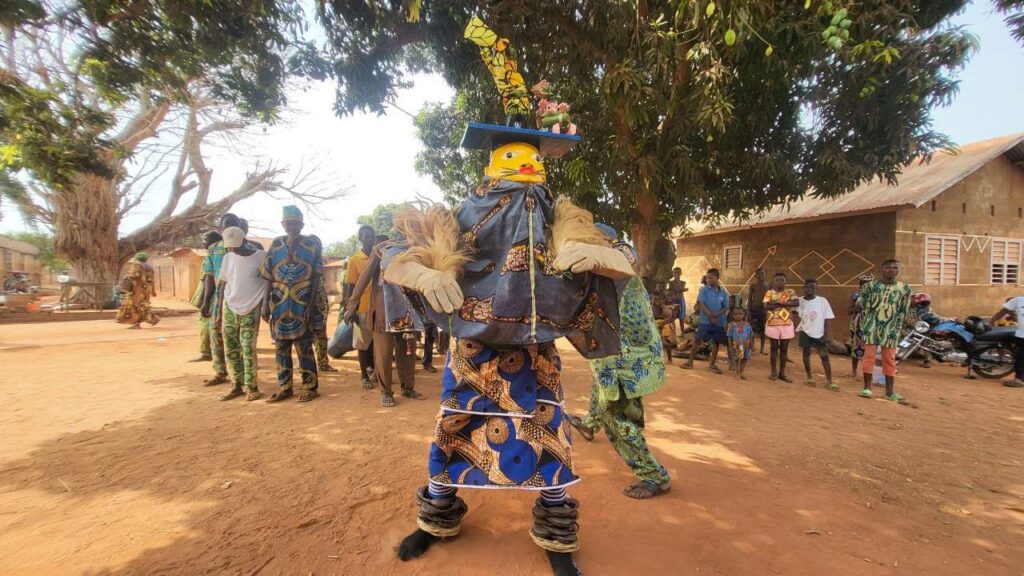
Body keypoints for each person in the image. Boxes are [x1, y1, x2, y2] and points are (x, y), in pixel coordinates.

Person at [388, 21, 630, 574]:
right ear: (490, 168)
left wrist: (596, 255)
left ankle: (556, 536)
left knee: (548, 435)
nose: (522, 173)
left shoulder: (559, 216)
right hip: (472, 349)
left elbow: (619, 254)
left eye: (531, 163)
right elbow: (396, 253)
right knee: (454, 425)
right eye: (512, 163)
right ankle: (439, 514)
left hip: (537, 347)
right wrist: (425, 274)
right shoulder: (463, 215)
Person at [567, 226, 670, 499]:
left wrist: (592, 252)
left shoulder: (620, 254)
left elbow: (625, 260)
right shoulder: (589, 271)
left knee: (617, 414)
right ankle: (589, 424)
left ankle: (653, 476)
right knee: (599, 382)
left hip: (629, 358)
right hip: (611, 354)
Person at [344, 239, 424, 408]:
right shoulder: (380, 250)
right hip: (383, 310)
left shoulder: (416, 249)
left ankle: (408, 388)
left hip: (407, 310)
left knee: (408, 351)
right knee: (383, 353)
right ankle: (386, 392)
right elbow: (364, 278)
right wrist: (352, 304)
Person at [259, 205, 325, 403]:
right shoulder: (276, 245)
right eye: (288, 223)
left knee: (304, 347)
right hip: (278, 306)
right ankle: (285, 387)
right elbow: (268, 277)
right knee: (281, 347)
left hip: (301, 304)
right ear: (283, 224)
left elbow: (315, 279)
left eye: (295, 224)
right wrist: (264, 304)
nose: (292, 227)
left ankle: (310, 387)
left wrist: (310, 306)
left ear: (302, 224)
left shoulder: (311, 245)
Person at [216, 226, 268, 401]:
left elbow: (268, 282)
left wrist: (266, 306)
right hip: (230, 306)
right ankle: (236, 384)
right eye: (230, 247)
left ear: (245, 241)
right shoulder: (228, 258)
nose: (233, 249)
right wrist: (217, 313)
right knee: (230, 348)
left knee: (248, 348)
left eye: (236, 246)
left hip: (251, 308)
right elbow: (222, 285)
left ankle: (252, 387)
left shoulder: (261, 256)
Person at [855, 259, 913, 403]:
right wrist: (867, 323)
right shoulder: (870, 286)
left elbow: (903, 311)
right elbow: (861, 304)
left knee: (890, 359)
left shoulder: (904, 289)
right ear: (882, 270)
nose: (891, 270)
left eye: (894, 268)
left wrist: (897, 328)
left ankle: (890, 391)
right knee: (869, 357)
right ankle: (867, 388)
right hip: (871, 327)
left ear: (898, 270)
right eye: (888, 267)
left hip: (891, 329)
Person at [200, 213, 242, 386]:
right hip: (220, 297)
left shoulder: (251, 247)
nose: (229, 227)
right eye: (226, 225)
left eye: (233, 223)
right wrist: (206, 300)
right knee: (215, 333)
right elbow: (209, 276)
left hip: (241, 297)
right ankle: (220, 371)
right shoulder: (213, 249)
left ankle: (240, 375)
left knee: (238, 336)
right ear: (221, 228)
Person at [346, 225, 377, 387]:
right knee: (361, 343)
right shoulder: (354, 260)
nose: (369, 239)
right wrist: (351, 309)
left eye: (371, 236)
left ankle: (375, 372)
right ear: (360, 239)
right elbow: (350, 287)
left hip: (378, 309)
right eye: (365, 236)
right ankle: (364, 375)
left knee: (377, 343)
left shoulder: (379, 257)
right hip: (362, 308)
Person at [684, 268, 730, 373]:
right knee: (697, 340)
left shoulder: (723, 293)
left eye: (711, 278)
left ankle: (712, 364)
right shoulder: (704, 290)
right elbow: (701, 304)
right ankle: (690, 362)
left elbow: (725, 307)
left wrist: (716, 316)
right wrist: (710, 315)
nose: (708, 280)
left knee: (716, 343)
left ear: (717, 278)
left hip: (719, 322)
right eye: (707, 278)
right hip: (705, 321)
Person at [797, 279, 836, 390]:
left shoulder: (822, 301)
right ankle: (809, 376)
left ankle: (829, 380)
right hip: (805, 331)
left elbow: (827, 318)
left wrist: (826, 334)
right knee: (806, 353)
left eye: (812, 288)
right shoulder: (799, 301)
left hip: (819, 333)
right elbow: (793, 311)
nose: (809, 290)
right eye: (807, 287)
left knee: (824, 355)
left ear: (816, 288)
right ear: (803, 288)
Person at [189, 230, 222, 363]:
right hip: (207, 293)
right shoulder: (214, 254)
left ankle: (206, 352)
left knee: (206, 324)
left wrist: (205, 300)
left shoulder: (214, 255)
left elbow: (209, 279)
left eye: (206, 239)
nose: (203, 242)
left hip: (211, 294)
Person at [763, 272, 798, 382]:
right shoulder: (769, 292)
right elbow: (766, 306)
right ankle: (773, 372)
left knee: (784, 350)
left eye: (782, 280)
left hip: (786, 324)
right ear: (773, 282)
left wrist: (778, 303)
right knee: (773, 349)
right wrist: (785, 303)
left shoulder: (790, 292)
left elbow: (796, 303)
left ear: (785, 281)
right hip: (772, 324)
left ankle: (782, 373)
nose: (779, 282)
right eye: (777, 280)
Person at [116, 252, 159, 328]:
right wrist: (153, 291)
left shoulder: (136, 265)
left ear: (137, 258)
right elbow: (151, 280)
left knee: (135, 306)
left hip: (136, 289)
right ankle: (153, 319)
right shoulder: (150, 268)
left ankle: (137, 324)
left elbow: (131, 276)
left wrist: (124, 285)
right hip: (146, 290)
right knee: (143, 305)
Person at [990, 295, 1024, 388]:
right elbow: (1004, 310)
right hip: (1021, 334)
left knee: (1022, 356)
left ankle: (1019, 379)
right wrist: (992, 320)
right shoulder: (1018, 300)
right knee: (1019, 354)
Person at [847, 276, 871, 377]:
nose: (865, 286)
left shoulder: (875, 296)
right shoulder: (855, 296)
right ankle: (854, 371)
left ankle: (869, 371)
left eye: (868, 284)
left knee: (871, 347)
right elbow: (849, 311)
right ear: (860, 285)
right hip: (857, 325)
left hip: (871, 324)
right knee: (856, 346)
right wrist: (859, 307)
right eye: (863, 284)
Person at [726, 308, 753, 379]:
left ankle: (741, 373)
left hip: (746, 345)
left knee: (745, 359)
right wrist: (730, 346)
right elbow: (729, 336)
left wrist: (751, 344)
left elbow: (751, 335)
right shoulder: (731, 325)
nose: (738, 316)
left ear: (744, 315)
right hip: (736, 345)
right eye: (736, 314)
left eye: (740, 314)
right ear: (733, 315)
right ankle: (737, 373)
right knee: (737, 359)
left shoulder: (747, 325)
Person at [748, 268, 769, 354]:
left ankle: (762, 349)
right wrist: (749, 310)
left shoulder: (768, 285)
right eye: (759, 274)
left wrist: (767, 310)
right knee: (751, 329)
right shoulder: (753, 285)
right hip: (754, 309)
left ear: (765, 274)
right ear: (755, 275)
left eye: (762, 273)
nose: (761, 275)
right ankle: (752, 347)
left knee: (763, 330)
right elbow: (750, 298)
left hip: (763, 311)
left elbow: (769, 298)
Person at [667, 267, 688, 336]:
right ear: (673, 273)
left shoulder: (683, 282)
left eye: (678, 272)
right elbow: (672, 291)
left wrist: (677, 291)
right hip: (673, 300)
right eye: (674, 272)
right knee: (672, 316)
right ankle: (672, 334)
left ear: (680, 273)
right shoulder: (671, 282)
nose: (676, 274)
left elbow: (673, 290)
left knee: (681, 317)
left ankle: (682, 332)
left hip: (680, 300)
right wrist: (683, 290)